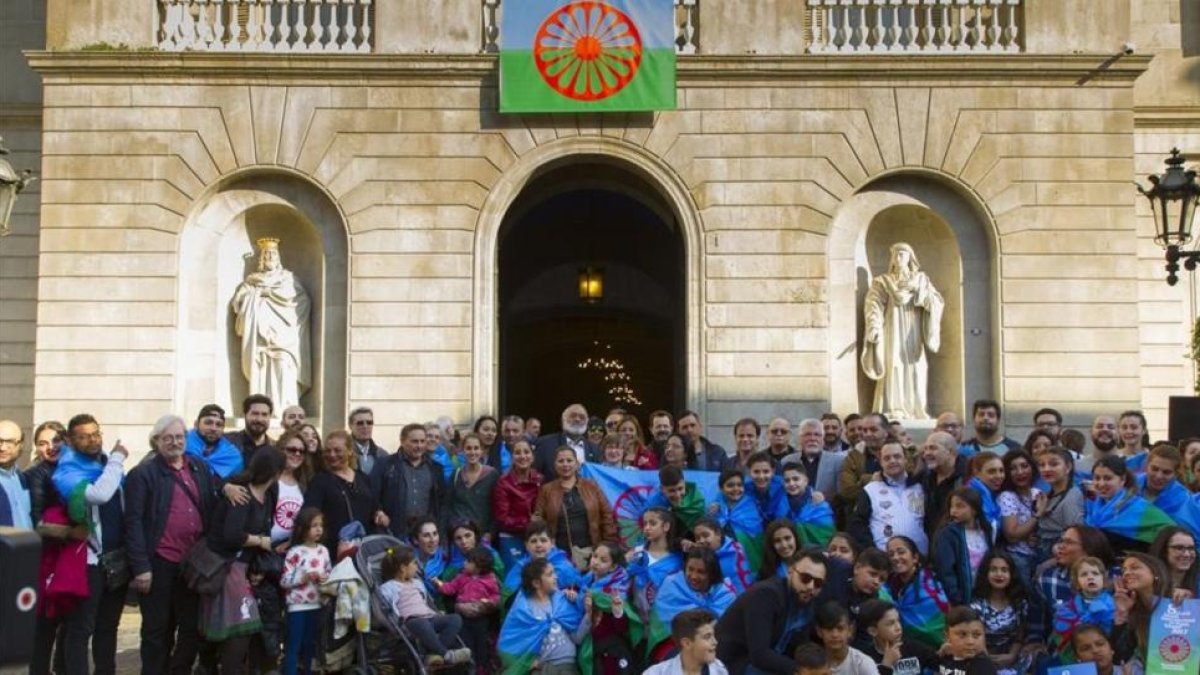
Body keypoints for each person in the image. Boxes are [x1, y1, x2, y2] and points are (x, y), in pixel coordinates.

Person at [124, 414, 219, 675]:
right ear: (156, 441)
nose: (175, 442)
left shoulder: (199, 467)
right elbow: (132, 522)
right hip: (159, 562)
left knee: (191, 628)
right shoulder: (142, 474)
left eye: (179, 437)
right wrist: (141, 566)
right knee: (157, 630)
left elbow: (212, 501)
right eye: (168, 438)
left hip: (193, 565)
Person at [52, 413, 129, 675]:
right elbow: (99, 494)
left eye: (95, 434)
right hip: (88, 560)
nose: (92, 440)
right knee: (81, 627)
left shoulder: (107, 464)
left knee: (108, 627)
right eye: (83, 436)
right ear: (71, 441)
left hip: (116, 558)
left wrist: (114, 462)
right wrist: (118, 458)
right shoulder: (67, 470)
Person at [202, 447, 282, 673]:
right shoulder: (242, 494)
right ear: (275, 473)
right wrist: (259, 541)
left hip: (245, 569)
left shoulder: (267, 496)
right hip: (227, 569)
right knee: (240, 630)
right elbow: (231, 535)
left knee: (239, 632)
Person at [860, 242, 944, 420]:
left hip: (913, 331)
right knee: (893, 364)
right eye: (896, 254)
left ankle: (916, 408)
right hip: (892, 330)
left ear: (910, 257)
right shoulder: (883, 281)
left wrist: (919, 291)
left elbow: (936, 302)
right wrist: (873, 326)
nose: (899, 258)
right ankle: (894, 407)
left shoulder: (921, 279)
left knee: (917, 365)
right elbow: (873, 304)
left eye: (903, 254)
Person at [714, 549, 829, 675]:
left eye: (818, 583)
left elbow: (800, 648)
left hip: (767, 662)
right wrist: (799, 670)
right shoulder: (765, 595)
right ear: (790, 571)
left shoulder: (807, 603)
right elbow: (759, 654)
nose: (810, 587)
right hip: (734, 663)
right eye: (805, 578)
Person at [230, 237, 311, 411]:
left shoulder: (288, 278)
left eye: (272, 253)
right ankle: (260, 411)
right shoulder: (252, 280)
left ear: (278, 257)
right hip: (258, 338)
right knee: (259, 370)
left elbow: (301, 301)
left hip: (284, 338)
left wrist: (267, 293)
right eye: (266, 254)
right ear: (261, 258)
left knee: (283, 367)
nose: (269, 257)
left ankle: (284, 410)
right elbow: (238, 302)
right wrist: (253, 296)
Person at [379, 546, 471, 668]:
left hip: (429, 617)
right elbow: (385, 608)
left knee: (455, 619)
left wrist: (436, 613)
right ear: (403, 568)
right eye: (414, 563)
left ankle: (433, 654)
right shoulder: (388, 587)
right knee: (422, 623)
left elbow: (425, 602)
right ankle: (447, 655)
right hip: (410, 622)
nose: (417, 567)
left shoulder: (417, 583)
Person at [302, 429, 388, 555]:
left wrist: (379, 513)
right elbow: (310, 515)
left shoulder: (362, 478)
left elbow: (374, 505)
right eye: (328, 451)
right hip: (334, 550)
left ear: (349, 451)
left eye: (337, 450)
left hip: (363, 549)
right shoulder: (320, 481)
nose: (332, 455)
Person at [498, 557, 590, 674]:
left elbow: (577, 638)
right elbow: (512, 644)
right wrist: (527, 664)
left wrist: (588, 614)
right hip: (541, 669)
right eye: (550, 574)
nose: (556, 577)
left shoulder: (563, 601)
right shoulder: (523, 611)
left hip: (568, 667)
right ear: (536, 583)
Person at [1028, 525, 1113, 645]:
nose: (1060, 547)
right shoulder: (1048, 578)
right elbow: (1036, 621)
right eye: (1061, 541)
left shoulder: (1114, 580)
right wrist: (1034, 643)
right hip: (1063, 653)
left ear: (1089, 548)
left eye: (1068, 542)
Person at [534, 445, 617, 566]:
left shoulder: (592, 486)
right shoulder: (546, 490)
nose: (565, 464)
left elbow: (607, 516)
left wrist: (608, 545)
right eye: (561, 461)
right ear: (555, 465)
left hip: (591, 553)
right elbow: (539, 521)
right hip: (558, 554)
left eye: (569, 460)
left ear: (577, 464)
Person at [648, 547, 735, 659]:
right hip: (673, 642)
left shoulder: (724, 592)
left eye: (701, 572)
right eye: (690, 569)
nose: (693, 576)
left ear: (712, 574)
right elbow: (671, 626)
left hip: (715, 643)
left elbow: (728, 628)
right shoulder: (672, 584)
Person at [1084, 454, 1174, 553]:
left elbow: (1170, 531)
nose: (1101, 484)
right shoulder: (1090, 506)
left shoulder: (1139, 508)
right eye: (1097, 478)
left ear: (1122, 480)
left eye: (1107, 478)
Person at [850, 441, 927, 555]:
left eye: (897, 456)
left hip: (919, 558)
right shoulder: (870, 490)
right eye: (887, 458)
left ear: (905, 459)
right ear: (880, 462)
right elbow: (857, 524)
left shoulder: (920, 486)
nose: (892, 461)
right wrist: (872, 551)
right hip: (884, 559)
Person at [280, 507, 331, 675]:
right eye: (313, 525)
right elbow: (284, 581)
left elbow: (329, 574)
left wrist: (325, 578)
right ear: (302, 528)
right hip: (297, 606)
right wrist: (303, 578)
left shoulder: (323, 551)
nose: (318, 529)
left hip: (317, 604)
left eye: (320, 525)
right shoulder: (295, 552)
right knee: (294, 645)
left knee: (310, 645)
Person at [433, 546, 500, 670]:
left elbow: (496, 595)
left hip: (480, 617)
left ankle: (483, 666)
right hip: (463, 617)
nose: (464, 563)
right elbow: (451, 588)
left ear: (479, 566)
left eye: (468, 562)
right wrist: (439, 585)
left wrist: (490, 602)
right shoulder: (462, 577)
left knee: (481, 641)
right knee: (466, 642)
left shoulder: (490, 579)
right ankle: (470, 665)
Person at [578, 541, 639, 675]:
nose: (596, 562)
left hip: (612, 650)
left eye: (603, 560)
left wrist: (617, 611)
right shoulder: (585, 583)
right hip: (592, 647)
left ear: (613, 567)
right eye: (595, 556)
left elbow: (622, 628)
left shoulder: (618, 589)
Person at [968, 551, 1030, 675]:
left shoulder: (1020, 603)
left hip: (1013, 656)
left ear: (1011, 574)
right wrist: (989, 661)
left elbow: (1020, 635)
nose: (999, 574)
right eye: (994, 570)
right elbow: (974, 638)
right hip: (982, 658)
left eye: (1004, 570)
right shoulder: (976, 605)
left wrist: (1011, 655)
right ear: (986, 573)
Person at [377, 423, 445, 538]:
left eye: (422, 441)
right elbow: (374, 494)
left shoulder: (435, 468)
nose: (419, 446)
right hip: (394, 532)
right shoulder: (385, 465)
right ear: (402, 441)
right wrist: (379, 511)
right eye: (414, 441)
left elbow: (441, 502)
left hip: (425, 535)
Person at [1109, 552, 1172, 670]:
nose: (1127, 573)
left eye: (1135, 567)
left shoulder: (1177, 603)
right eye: (1124, 570)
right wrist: (1122, 614)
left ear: (1155, 573)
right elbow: (1119, 658)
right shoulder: (1133, 613)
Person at [885, 535, 948, 650]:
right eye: (891, 554)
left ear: (915, 557)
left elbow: (938, 620)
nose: (895, 557)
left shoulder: (931, 584)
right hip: (904, 650)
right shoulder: (887, 586)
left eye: (901, 552)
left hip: (937, 649)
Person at [931, 488, 992, 605]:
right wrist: (956, 598)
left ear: (974, 509)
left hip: (984, 594)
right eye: (952, 506)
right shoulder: (948, 534)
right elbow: (945, 570)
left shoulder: (985, 531)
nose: (953, 511)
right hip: (962, 597)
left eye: (960, 506)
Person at [1048, 556, 1115, 657]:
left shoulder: (1112, 605)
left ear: (1104, 580)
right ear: (1077, 583)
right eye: (1084, 574)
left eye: (1095, 573)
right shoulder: (1067, 608)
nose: (1090, 577)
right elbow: (1059, 632)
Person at [492, 438, 544, 566]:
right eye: (518, 452)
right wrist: (528, 522)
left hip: (535, 536)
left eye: (526, 452)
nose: (522, 456)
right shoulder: (503, 482)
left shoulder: (540, 479)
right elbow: (502, 518)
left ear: (532, 457)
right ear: (512, 457)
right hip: (511, 537)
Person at [628, 507, 685, 622]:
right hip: (635, 618)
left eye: (653, 523)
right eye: (645, 524)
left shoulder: (677, 561)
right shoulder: (637, 552)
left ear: (666, 527)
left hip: (662, 621)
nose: (647, 528)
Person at [853, 599, 938, 675]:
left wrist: (944, 656)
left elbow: (942, 667)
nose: (898, 627)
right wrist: (886, 666)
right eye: (891, 623)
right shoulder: (864, 660)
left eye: (898, 620)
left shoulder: (914, 648)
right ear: (873, 631)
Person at [1033, 447, 1086, 563]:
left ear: (1068, 467)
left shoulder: (1072, 497)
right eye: (1042, 465)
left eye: (1053, 464)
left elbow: (1074, 537)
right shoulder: (1047, 495)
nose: (1046, 469)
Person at [997, 449, 1041, 581]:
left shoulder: (1037, 493)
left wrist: (1036, 536)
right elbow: (1012, 535)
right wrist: (1037, 515)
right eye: (1013, 468)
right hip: (1018, 558)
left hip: (1039, 556)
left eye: (1024, 466)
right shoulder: (1007, 497)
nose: (1020, 472)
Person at [643, 608, 729, 675]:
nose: (715, 642)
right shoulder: (655, 673)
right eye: (707, 637)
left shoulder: (720, 670)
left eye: (714, 636)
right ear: (687, 643)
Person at [1138, 443, 1200, 534]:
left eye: (1166, 472)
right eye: (1154, 469)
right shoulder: (1127, 486)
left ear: (1176, 473)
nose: (1159, 476)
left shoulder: (1184, 500)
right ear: (1146, 466)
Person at [448, 432, 500, 536]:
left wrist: (491, 533)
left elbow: (497, 507)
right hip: (460, 535)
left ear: (482, 451)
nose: (472, 452)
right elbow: (449, 505)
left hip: (482, 534)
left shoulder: (492, 475)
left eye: (476, 448)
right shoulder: (455, 475)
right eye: (468, 448)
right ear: (462, 450)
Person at [918, 431, 966, 540]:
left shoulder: (967, 477)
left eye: (933, 448)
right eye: (925, 449)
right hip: (931, 543)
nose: (926, 453)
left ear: (950, 451)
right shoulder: (925, 477)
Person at [776, 462, 835, 548]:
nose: (791, 484)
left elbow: (826, 534)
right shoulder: (779, 505)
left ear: (806, 481)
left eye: (796, 479)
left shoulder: (819, 505)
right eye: (787, 481)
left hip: (816, 554)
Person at [533, 403, 600, 478]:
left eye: (582, 417)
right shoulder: (545, 444)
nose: (577, 419)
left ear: (587, 422)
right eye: (573, 416)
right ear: (563, 419)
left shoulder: (595, 449)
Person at [692, 516, 756, 593]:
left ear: (718, 534)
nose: (701, 541)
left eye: (705, 535)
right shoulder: (702, 555)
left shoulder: (734, 552)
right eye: (697, 538)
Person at [272, 428, 313, 547]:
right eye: (292, 450)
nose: (297, 454)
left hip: (292, 549)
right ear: (280, 449)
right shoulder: (268, 479)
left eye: (302, 451)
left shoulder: (304, 485)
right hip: (264, 550)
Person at [813, 601, 879, 675]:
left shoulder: (862, 663)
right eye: (829, 629)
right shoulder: (811, 663)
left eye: (840, 628)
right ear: (819, 631)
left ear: (850, 630)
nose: (835, 635)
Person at [185, 403, 243, 480]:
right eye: (208, 423)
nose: (213, 428)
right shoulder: (181, 444)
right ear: (196, 424)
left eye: (219, 425)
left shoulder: (231, 455)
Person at [25, 420, 65, 524]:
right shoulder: (34, 474)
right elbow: (36, 517)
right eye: (43, 444)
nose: (51, 447)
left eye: (56, 441)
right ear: (37, 448)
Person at [936, 606, 996, 675]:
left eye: (976, 635)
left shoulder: (984, 666)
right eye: (962, 635)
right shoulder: (944, 656)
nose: (970, 642)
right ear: (947, 636)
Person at [653, 465, 708, 532]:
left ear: (684, 484)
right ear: (662, 489)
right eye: (671, 491)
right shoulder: (654, 504)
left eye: (680, 488)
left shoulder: (697, 500)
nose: (677, 495)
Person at [1148, 526, 1199, 597]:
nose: (1187, 554)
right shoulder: (1147, 583)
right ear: (1164, 550)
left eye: (1191, 548)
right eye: (1179, 548)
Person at [224, 394, 275, 464]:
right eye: (255, 414)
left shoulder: (276, 448)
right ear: (245, 415)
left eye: (264, 414)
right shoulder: (227, 442)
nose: (259, 419)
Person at [0, 419, 31, 528]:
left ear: (21, 445)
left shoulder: (24, 479)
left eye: (9, 442)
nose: (2, 448)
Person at [347, 406, 387, 479]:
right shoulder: (342, 453)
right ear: (350, 426)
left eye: (369, 423)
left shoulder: (382, 455)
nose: (365, 426)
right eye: (360, 423)